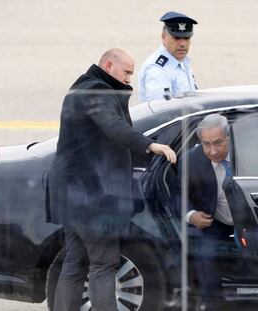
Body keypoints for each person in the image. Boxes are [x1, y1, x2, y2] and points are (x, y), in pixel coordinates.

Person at [45, 48, 176, 311]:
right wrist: (151, 146)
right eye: (127, 72)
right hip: (90, 197)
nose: (130, 79)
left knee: (75, 262)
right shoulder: (97, 92)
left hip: (75, 195)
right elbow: (114, 127)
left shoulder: (85, 87)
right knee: (103, 263)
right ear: (108, 66)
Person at [177, 114, 234, 310]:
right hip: (214, 222)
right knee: (204, 255)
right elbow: (177, 195)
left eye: (218, 143)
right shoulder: (190, 161)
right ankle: (212, 303)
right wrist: (190, 214)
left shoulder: (249, 151)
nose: (212, 151)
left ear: (229, 137)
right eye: (206, 144)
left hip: (252, 221)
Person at [138, 11, 198, 102]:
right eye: (176, 38)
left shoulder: (182, 61)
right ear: (163, 37)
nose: (182, 44)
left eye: (187, 38)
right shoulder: (157, 69)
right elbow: (160, 110)